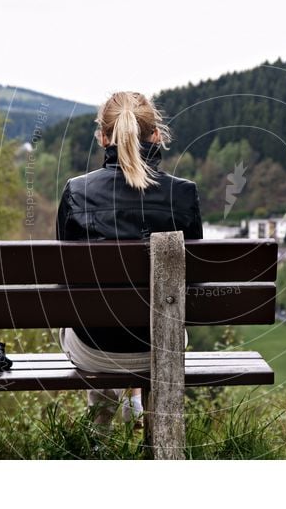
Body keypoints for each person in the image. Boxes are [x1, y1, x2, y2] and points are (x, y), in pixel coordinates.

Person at [56, 91, 203, 426]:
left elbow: (66, 277)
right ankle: (135, 399)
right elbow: (193, 279)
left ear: (103, 137)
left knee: (85, 314)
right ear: (155, 135)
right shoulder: (183, 194)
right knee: (154, 313)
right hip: (160, 347)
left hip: (95, 350)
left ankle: (100, 429)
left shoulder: (76, 192)